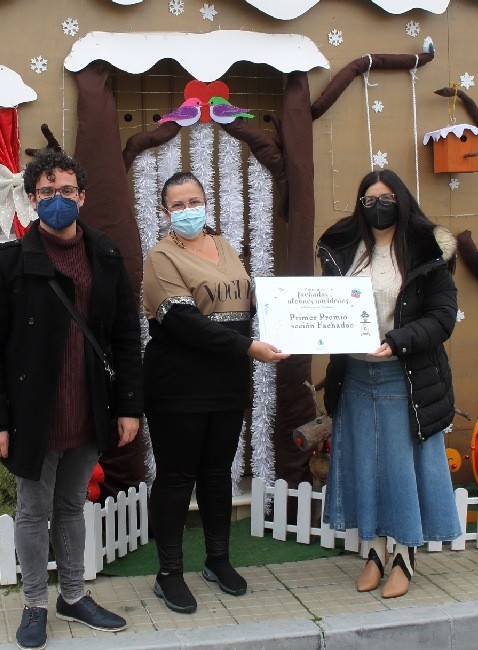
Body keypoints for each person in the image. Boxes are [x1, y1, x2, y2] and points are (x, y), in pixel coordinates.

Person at [0, 151, 142, 650]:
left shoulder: (105, 255)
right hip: (32, 412)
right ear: (32, 199)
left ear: (82, 197)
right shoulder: (8, 262)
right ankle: (34, 604)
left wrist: (129, 404)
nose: (58, 200)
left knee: (70, 506)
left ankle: (72, 594)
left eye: (67, 191)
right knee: (32, 510)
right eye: (47, 193)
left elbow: (126, 338)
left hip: (88, 405)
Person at [141, 172, 288, 614]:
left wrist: (296, 313)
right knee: (175, 476)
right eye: (179, 204)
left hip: (226, 382)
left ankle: (218, 561)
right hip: (178, 384)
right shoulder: (161, 257)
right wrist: (249, 346)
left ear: (207, 203)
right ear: (164, 212)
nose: (189, 210)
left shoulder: (224, 246)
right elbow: (185, 322)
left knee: (217, 474)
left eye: (195, 200)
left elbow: (243, 301)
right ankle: (168, 574)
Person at [316, 169, 462, 599]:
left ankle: (404, 554)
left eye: (385, 197)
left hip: (406, 376)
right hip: (356, 375)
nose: (377, 205)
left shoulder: (425, 249)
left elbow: (441, 318)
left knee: (400, 469)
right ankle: (375, 550)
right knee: (365, 465)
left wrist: (397, 341)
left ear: (400, 198)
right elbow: (325, 306)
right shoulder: (344, 248)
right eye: (368, 199)